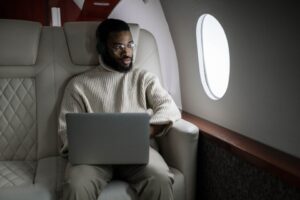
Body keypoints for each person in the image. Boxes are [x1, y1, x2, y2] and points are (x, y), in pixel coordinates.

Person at [58, 18, 181, 200]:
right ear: (102, 48)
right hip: (93, 159)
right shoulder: (78, 85)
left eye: (130, 44)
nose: (127, 52)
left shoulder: (144, 78)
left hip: (137, 153)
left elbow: (169, 107)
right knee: (76, 186)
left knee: (161, 179)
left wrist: (145, 131)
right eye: (118, 47)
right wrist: (86, 146)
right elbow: (65, 131)